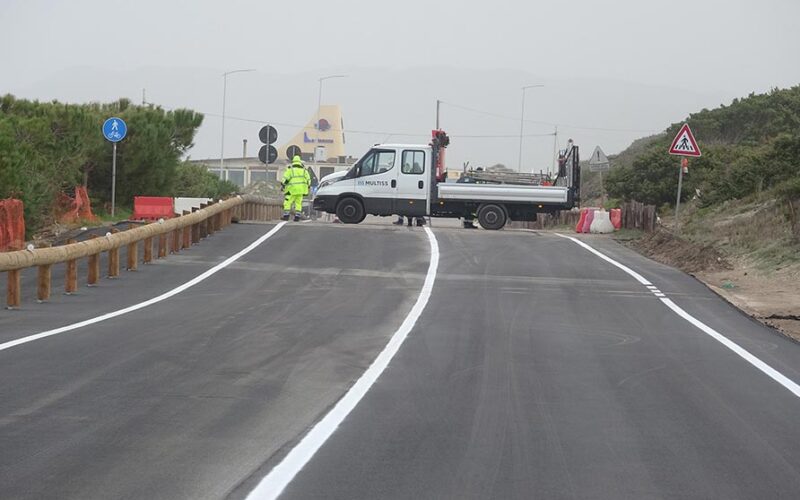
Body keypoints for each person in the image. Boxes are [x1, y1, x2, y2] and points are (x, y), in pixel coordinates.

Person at [282, 155, 311, 222]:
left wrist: (283, 185)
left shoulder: (290, 170)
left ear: (293, 161)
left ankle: (286, 216)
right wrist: (308, 187)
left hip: (291, 190)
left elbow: (285, 179)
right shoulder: (304, 171)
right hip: (301, 191)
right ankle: (297, 217)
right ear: (299, 162)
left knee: (287, 202)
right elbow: (308, 180)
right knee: (298, 203)